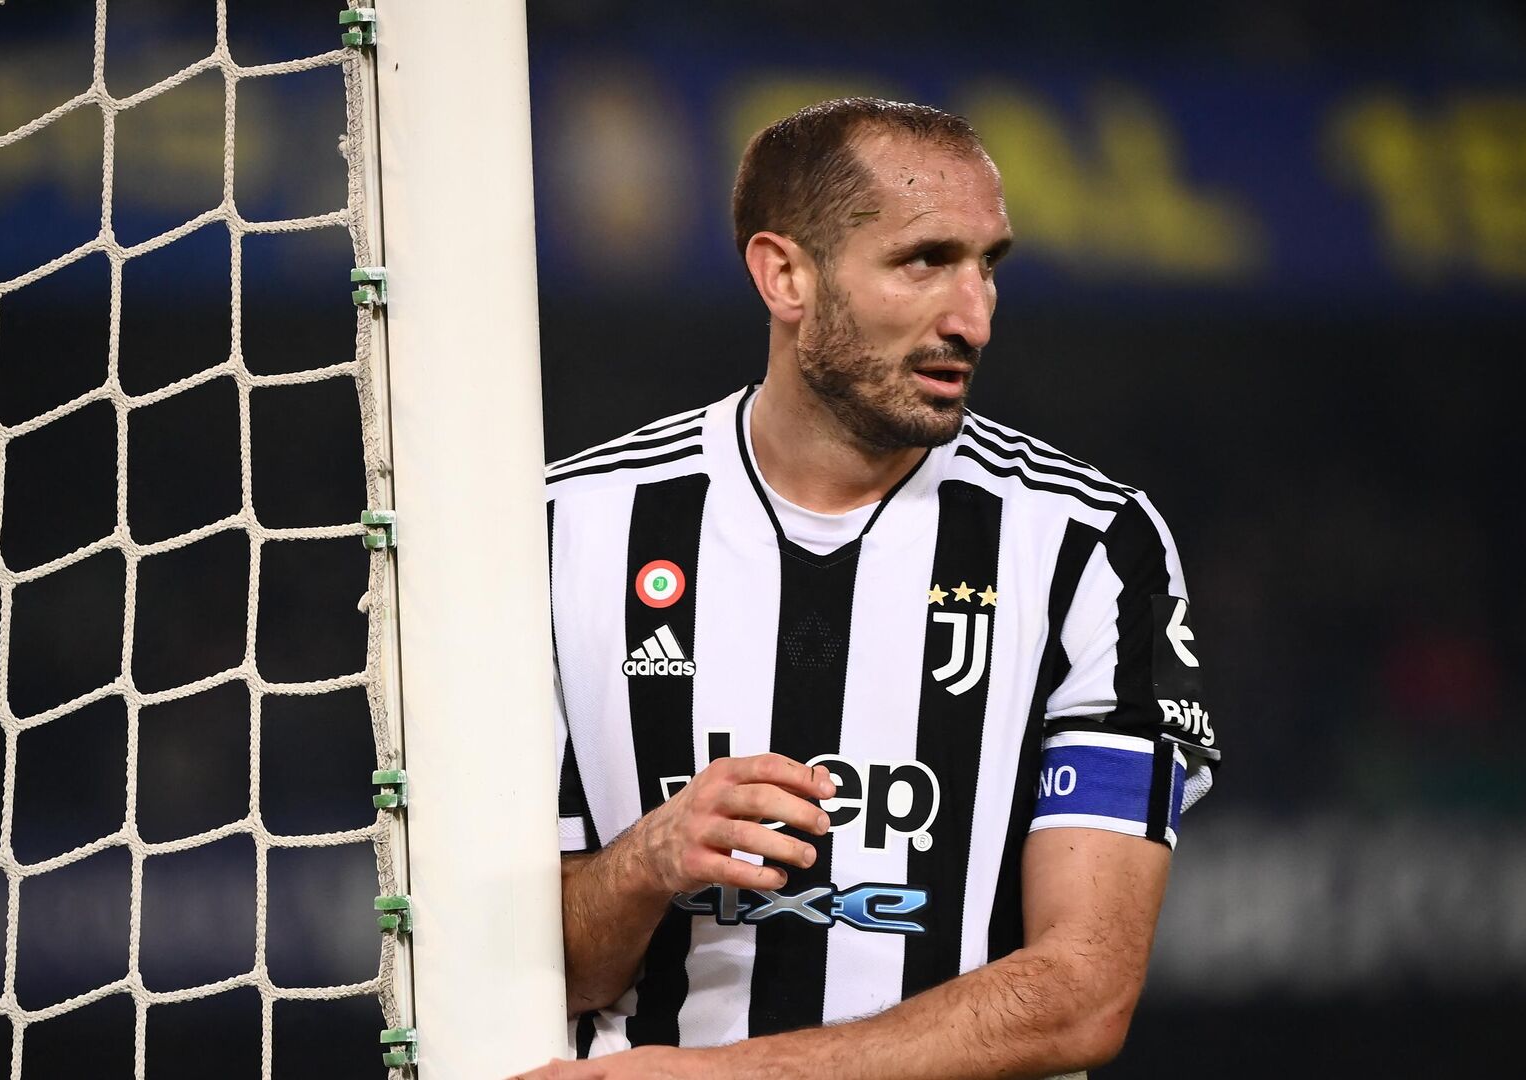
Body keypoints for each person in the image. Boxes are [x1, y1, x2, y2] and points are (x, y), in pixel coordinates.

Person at [519, 97, 1218, 1079]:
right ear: (785, 274)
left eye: (989, 266)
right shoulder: (561, 533)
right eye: (925, 260)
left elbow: (1086, 992)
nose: (972, 318)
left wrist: (731, 1078)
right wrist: (645, 862)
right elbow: (537, 973)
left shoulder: (1096, 546)